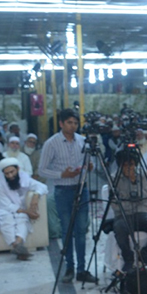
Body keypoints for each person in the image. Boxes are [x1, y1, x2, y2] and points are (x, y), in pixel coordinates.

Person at [39, 109, 92, 282]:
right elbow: (42, 170)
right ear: (61, 124)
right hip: (63, 190)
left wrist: (88, 167)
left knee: (81, 229)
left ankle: (82, 269)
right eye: (69, 122)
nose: (73, 126)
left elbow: (88, 162)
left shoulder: (83, 141)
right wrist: (62, 174)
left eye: (75, 123)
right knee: (67, 230)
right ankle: (69, 267)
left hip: (81, 189)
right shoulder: (52, 143)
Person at [0, 158, 47, 260]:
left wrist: (35, 197)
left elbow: (42, 187)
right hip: (5, 210)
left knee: (22, 218)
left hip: (21, 211)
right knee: (7, 220)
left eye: (12, 172)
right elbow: (7, 206)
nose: (10, 176)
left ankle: (17, 244)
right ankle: (17, 246)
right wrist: (28, 211)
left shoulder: (25, 179)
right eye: (7, 174)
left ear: (17, 169)